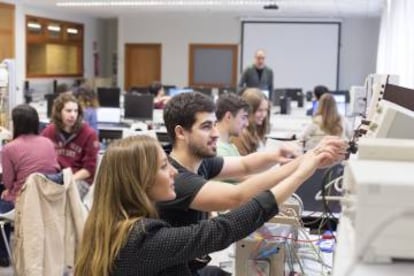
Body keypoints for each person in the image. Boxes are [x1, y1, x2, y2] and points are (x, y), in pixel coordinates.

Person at [74, 135, 344, 275]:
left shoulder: (114, 227)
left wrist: (308, 159)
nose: (174, 173)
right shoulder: (140, 238)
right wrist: (301, 173)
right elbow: (222, 229)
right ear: (139, 181)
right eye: (163, 166)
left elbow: (248, 168)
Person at [158, 92, 346, 275]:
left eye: (215, 125)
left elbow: (245, 165)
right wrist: (303, 170)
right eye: (206, 127)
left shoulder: (200, 162)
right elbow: (237, 196)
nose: (216, 133)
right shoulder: (176, 179)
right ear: (181, 133)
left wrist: (294, 156)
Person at [0, 104, 60, 267]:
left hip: (23, 201)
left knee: (2, 200)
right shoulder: (48, 143)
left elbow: (8, 181)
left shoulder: (9, 148)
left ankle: (3, 256)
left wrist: (7, 191)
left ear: (16, 123)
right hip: (47, 198)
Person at [41, 93, 99, 199]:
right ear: (59, 113)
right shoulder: (48, 132)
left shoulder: (89, 134)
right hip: (54, 178)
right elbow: (41, 160)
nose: (73, 115)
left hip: (78, 179)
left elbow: (89, 170)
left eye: (75, 111)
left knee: (65, 196)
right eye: (68, 111)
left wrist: (68, 181)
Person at [231, 88, 270, 155]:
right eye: (259, 110)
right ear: (248, 110)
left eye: (265, 110)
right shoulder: (239, 135)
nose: (263, 115)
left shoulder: (256, 130)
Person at [215, 93, 250, 157]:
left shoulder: (229, 145)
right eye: (243, 117)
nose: (247, 124)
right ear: (228, 117)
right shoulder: (219, 151)